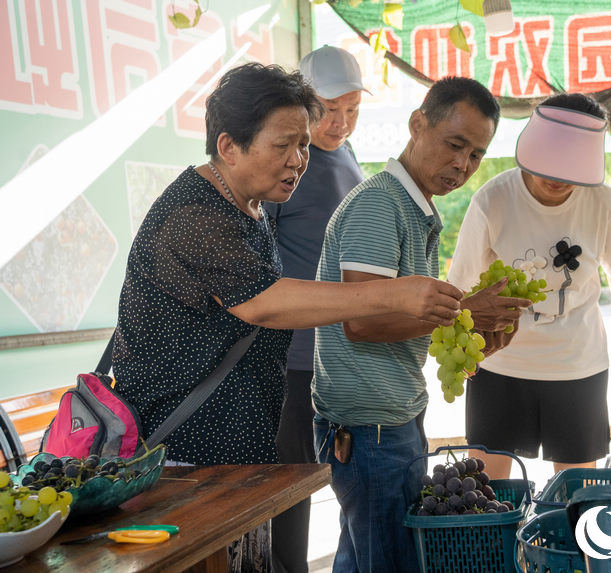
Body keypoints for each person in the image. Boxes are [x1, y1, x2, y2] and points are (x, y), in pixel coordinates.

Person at [112, 62, 463, 572]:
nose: (299, 160)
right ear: (229, 146)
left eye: (303, 144)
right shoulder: (197, 212)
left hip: (232, 460)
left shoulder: (246, 206)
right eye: (284, 145)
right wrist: (391, 296)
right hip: (181, 463)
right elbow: (266, 303)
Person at [312, 77, 531, 572]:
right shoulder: (378, 205)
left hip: (392, 422)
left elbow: (406, 319)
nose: (463, 165)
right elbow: (361, 322)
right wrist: (467, 312)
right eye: (455, 144)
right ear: (417, 124)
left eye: (476, 155)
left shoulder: (415, 209)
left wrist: (472, 341)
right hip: (369, 430)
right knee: (386, 560)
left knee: (364, 555)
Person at [447, 93, 611, 480]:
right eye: (550, 165)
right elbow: (460, 288)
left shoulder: (606, 205)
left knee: (577, 495)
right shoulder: (492, 200)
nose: (557, 179)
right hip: (500, 366)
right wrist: (462, 349)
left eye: (571, 170)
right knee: (487, 492)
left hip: (577, 367)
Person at [263, 46, 368, 573]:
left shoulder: (347, 156)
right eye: (329, 109)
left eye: (352, 109)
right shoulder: (287, 163)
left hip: (343, 349)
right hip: (293, 355)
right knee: (293, 479)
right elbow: (262, 259)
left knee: (347, 474)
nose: (341, 122)